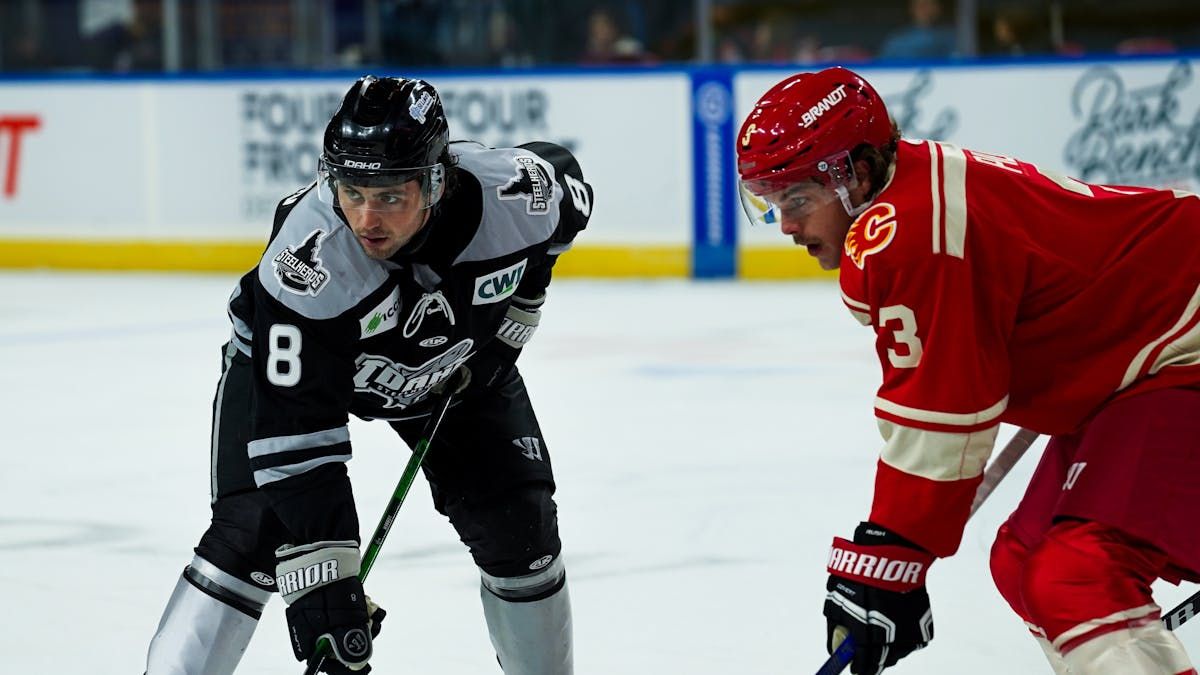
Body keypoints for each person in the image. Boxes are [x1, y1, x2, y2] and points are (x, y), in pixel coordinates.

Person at [736, 66, 1200, 674]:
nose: (787, 225)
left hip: (1178, 344)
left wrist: (893, 552)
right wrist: (896, 553)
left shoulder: (910, 231)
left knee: (1075, 575)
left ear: (859, 174)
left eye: (797, 199)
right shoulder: (915, 193)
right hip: (1143, 358)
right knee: (1024, 557)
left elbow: (947, 409)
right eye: (772, 203)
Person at [145, 75, 592, 674]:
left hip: (451, 368)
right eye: (351, 192)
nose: (366, 218)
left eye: (389, 196)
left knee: (520, 526)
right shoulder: (309, 265)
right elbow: (296, 445)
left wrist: (517, 315)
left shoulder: (515, 195)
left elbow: (565, 205)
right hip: (297, 378)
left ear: (435, 181)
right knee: (251, 534)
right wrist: (326, 580)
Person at [877, 0, 956, 60]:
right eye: (921, 6)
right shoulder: (897, 40)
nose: (926, 10)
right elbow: (882, 69)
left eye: (930, 5)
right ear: (912, 8)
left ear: (938, 8)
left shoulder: (951, 37)